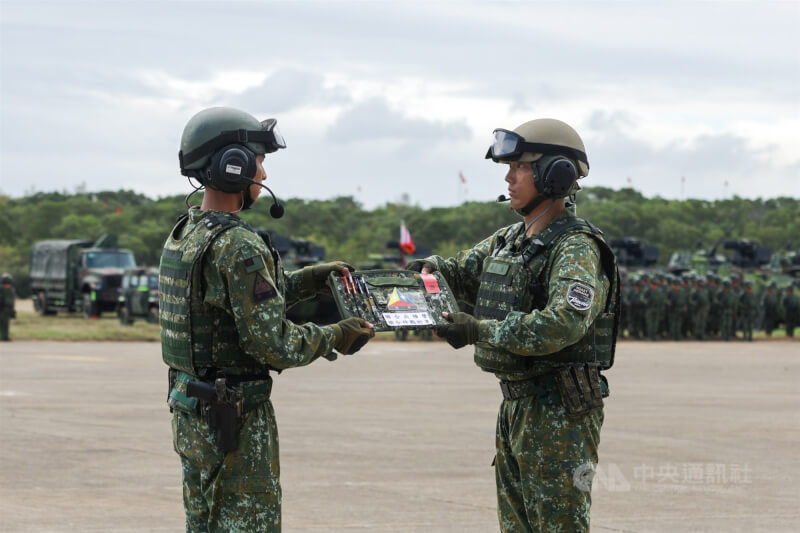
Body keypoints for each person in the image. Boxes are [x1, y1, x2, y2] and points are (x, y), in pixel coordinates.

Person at [162, 106, 375, 532]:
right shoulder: (239, 245)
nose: (263, 174)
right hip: (234, 419)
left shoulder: (187, 232)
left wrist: (310, 281)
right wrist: (336, 335)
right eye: (259, 161)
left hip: (191, 412)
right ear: (233, 165)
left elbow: (237, 305)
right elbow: (270, 342)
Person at [409, 119, 619, 532]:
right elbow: (459, 270)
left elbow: (563, 323)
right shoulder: (510, 239)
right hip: (518, 404)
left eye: (520, 167)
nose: (509, 176)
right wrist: (422, 273)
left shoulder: (575, 247)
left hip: (558, 411)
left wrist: (479, 330)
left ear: (553, 174)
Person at [0, 273, 17, 341]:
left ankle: (5, 336)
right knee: (2, 323)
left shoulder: (11, 289)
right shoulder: (1, 288)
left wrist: (13, 309)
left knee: (6, 323)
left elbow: (13, 299)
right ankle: (4, 337)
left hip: (9, 309)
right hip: (2, 308)